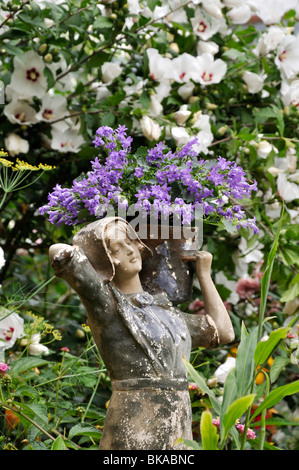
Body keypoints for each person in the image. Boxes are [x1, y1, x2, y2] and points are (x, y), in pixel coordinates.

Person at [49, 216, 234, 450]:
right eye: (117, 248)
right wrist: (99, 248)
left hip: (177, 427)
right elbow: (60, 252)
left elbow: (224, 332)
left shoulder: (168, 312)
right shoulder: (107, 305)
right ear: (104, 260)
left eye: (129, 242)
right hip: (134, 423)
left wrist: (204, 275)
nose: (129, 250)